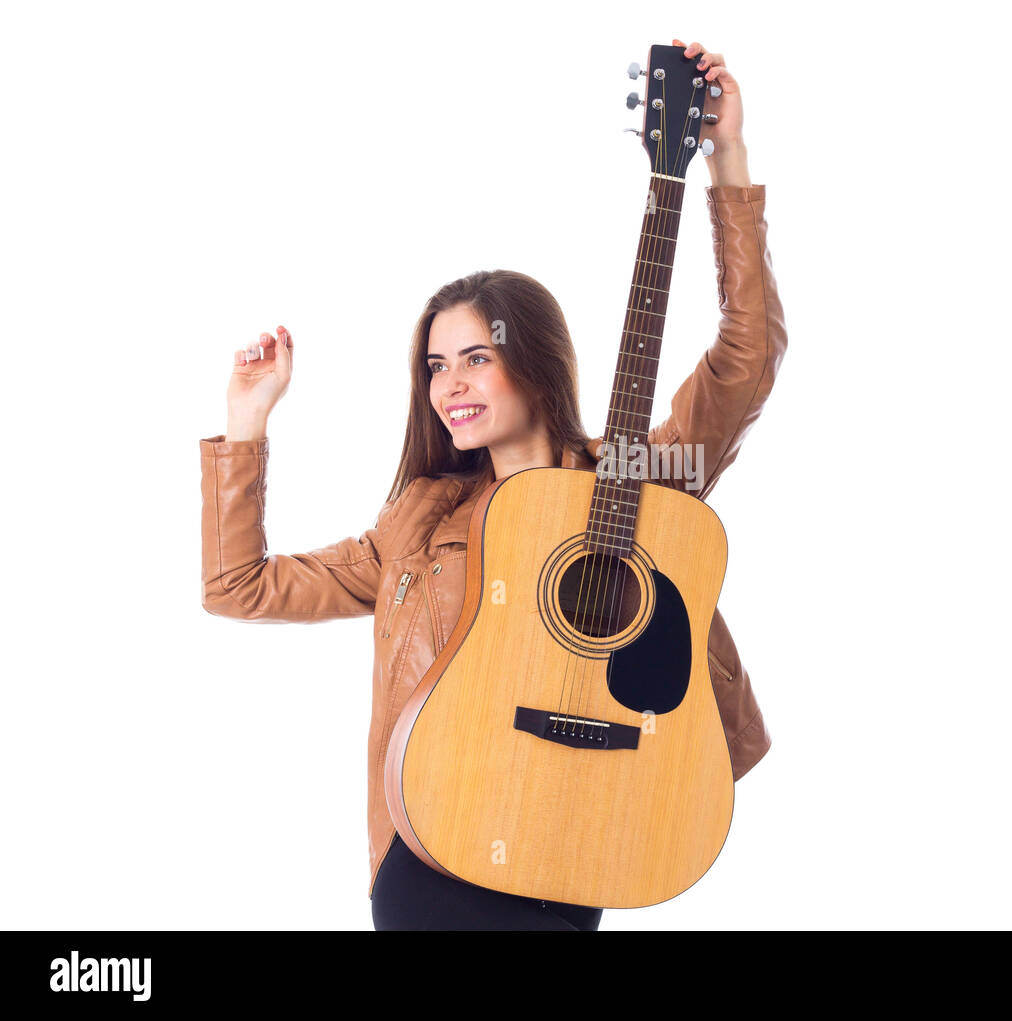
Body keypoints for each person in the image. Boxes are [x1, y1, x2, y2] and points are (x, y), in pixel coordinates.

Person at [199, 39, 787, 930]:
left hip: (580, 825)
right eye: (437, 366)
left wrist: (728, 163)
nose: (452, 386)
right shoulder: (419, 519)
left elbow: (747, 360)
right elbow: (237, 587)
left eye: (477, 357)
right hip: (432, 834)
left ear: (535, 365)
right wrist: (247, 424)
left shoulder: (640, 484)